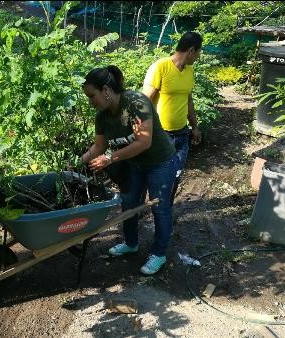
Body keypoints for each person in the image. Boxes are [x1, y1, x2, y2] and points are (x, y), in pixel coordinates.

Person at [80, 65, 178, 275]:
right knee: (128, 203)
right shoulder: (102, 116)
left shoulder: (136, 103)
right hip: (134, 164)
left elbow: (144, 141)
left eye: (92, 96)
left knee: (159, 208)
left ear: (106, 90)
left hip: (159, 161)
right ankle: (131, 243)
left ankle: (159, 253)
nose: (90, 102)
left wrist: (110, 158)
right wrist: (78, 163)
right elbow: (99, 146)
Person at [142, 31, 203, 205]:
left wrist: (195, 126)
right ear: (191, 50)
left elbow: (188, 100)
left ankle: (165, 210)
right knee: (153, 175)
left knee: (176, 174)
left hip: (182, 136)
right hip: (161, 136)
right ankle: (139, 208)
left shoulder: (189, 71)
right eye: (199, 52)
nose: (199, 56)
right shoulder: (160, 67)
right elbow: (144, 101)